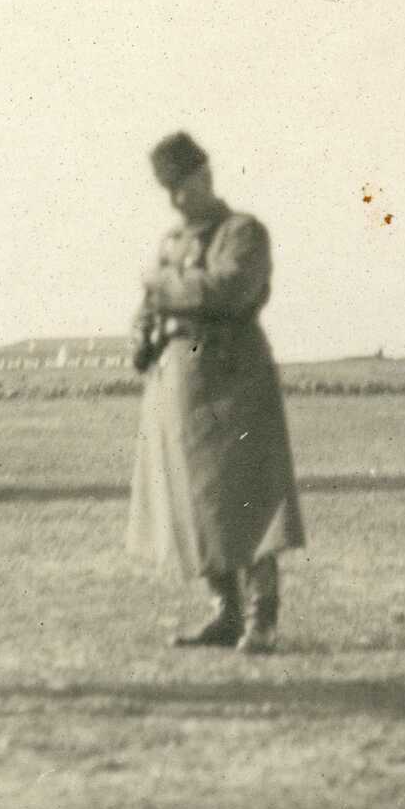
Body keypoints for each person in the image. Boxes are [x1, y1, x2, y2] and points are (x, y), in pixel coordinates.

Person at [127, 131, 304, 654]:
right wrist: (141, 332)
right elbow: (149, 308)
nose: (177, 199)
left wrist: (161, 287)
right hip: (178, 385)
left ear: (206, 177)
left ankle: (260, 618)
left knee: (248, 498)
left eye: (184, 185)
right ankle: (224, 612)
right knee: (196, 504)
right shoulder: (172, 241)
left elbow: (228, 289)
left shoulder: (242, 231)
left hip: (233, 380)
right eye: (169, 190)